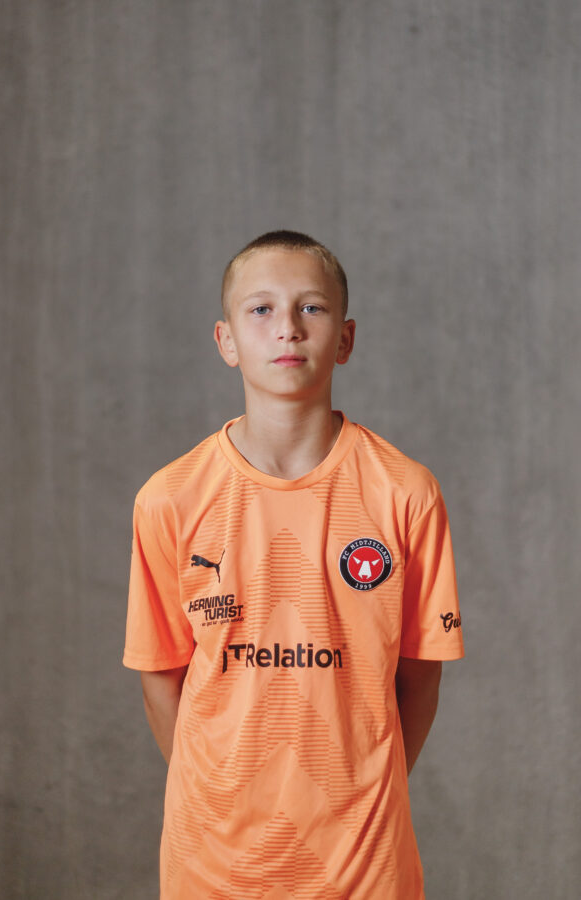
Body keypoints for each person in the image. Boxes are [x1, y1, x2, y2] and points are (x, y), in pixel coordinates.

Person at [123, 230, 464, 899]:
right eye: (261, 309)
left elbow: (420, 676)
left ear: (345, 339)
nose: (287, 328)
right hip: (212, 864)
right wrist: (216, 790)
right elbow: (161, 680)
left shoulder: (404, 493)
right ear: (226, 340)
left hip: (364, 865)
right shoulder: (169, 498)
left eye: (312, 307)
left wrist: (360, 790)